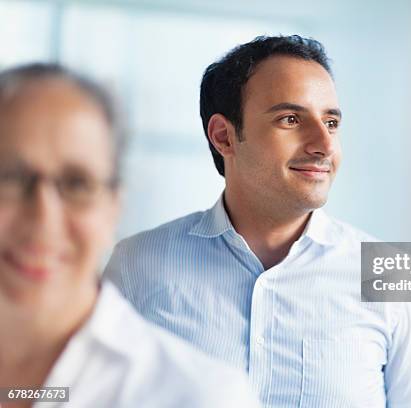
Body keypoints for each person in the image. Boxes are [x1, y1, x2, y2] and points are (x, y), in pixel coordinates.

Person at [104, 35, 411, 407]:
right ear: (224, 136)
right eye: (291, 119)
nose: (323, 144)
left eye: (332, 122)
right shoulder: (136, 267)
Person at [0, 64, 259, 408]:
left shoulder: (358, 254)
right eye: (10, 178)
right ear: (223, 135)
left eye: (77, 183)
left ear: (114, 206)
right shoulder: (142, 254)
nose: (42, 220)